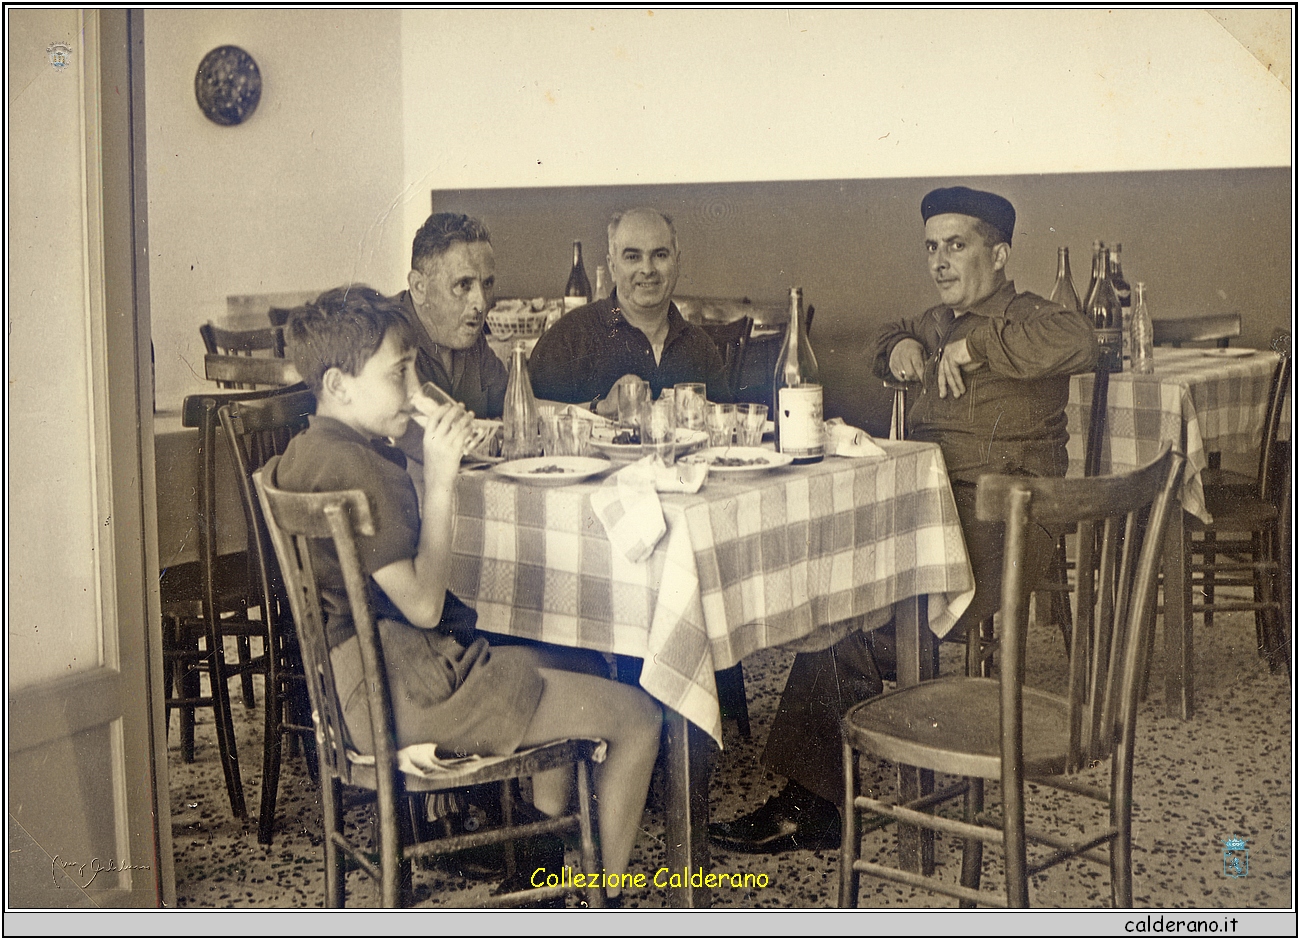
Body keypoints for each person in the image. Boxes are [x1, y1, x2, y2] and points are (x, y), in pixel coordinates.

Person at [710, 186, 1098, 854]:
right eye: (931, 247)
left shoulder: (1035, 316)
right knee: (832, 598)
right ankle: (831, 776)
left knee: (849, 627)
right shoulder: (935, 319)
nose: (940, 261)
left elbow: (1081, 339)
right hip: (928, 516)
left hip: (1003, 523)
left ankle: (815, 804)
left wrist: (971, 351)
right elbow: (887, 338)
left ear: (1000, 254)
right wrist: (899, 352)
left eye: (957, 245)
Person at [276, 286, 661, 901]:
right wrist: (443, 476)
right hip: (402, 690)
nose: (411, 387)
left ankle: (541, 869)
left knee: (583, 663)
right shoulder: (363, 470)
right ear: (339, 385)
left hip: (359, 681)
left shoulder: (308, 452)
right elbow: (425, 606)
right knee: (640, 717)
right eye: (396, 373)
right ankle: (600, 907)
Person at [527, 207, 732, 411]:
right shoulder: (569, 336)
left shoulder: (700, 345)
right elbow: (524, 411)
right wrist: (599, 408)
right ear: (612, 266)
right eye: (633, 257)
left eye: (660, 255)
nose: (647, 269)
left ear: (677, 263)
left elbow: (725, 427)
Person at [394, 213, 508, 419]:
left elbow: (516, 408)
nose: (481, 303)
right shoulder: (383, 341)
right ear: (419, 287)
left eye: (487, 284)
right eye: (463, 285)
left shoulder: (470, 336)